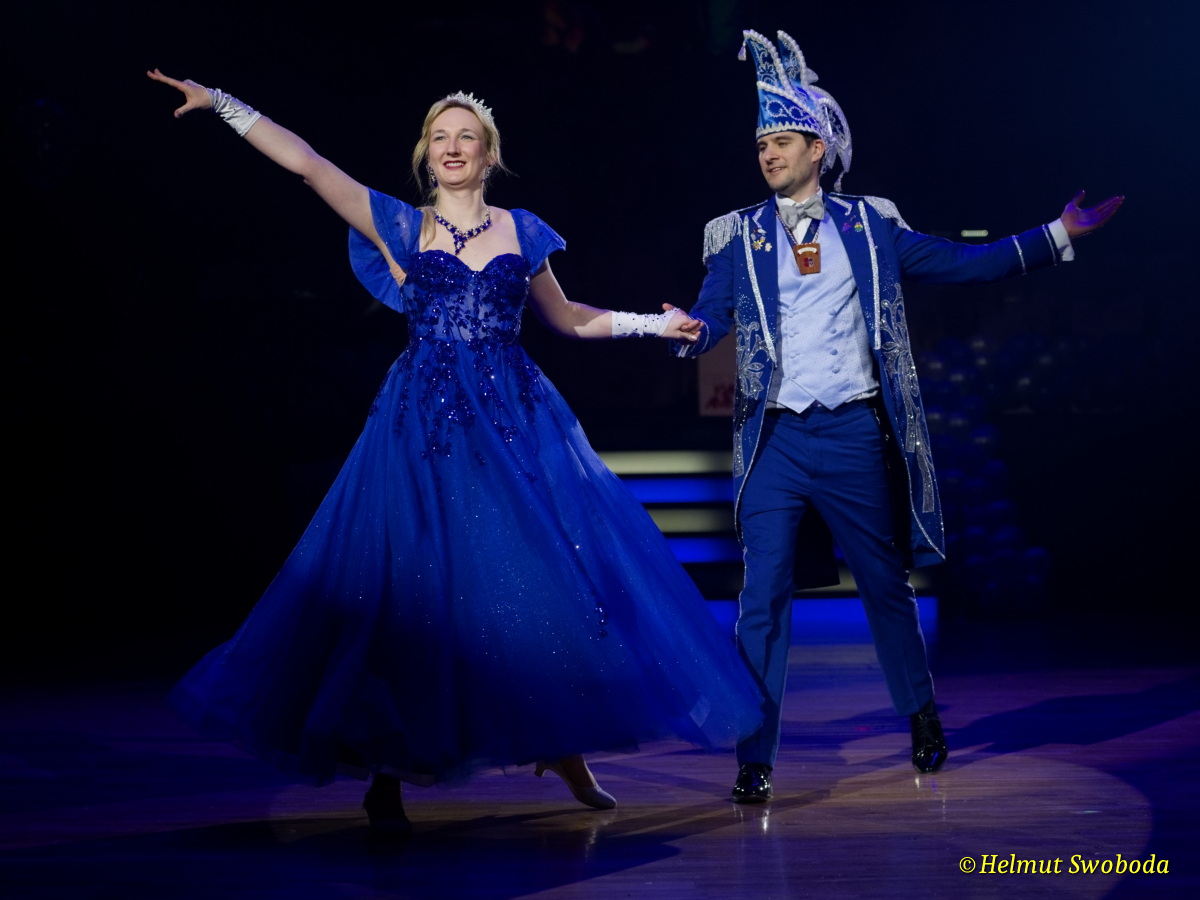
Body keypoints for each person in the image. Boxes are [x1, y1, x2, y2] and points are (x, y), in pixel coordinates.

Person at [147, 69, 764, 832]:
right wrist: (221, 104)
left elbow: (569, 317)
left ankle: (561, 745)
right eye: (439, 136)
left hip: (512, 420)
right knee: (409, 592)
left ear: (488, 153)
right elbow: (307, 164)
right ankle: (388, 770)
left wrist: (653, 324)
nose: (451, 146)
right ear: (424, 152)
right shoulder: (401, 225)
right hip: (422, 425)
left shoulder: (523, 231)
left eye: (465, 136)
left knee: (545, 584)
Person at [669, 31, 1123, 803]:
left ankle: (920, 713)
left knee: (883, 584)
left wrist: (1057, 235)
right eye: (762, 145)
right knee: (762, 597)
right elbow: (712, 316)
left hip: (851, 431)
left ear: (817, 149)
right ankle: (754, 757)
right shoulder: (737, 236)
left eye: (782, 142)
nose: (768, 155)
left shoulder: (870, 225)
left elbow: (959, 263)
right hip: (775, 438)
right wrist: (690, 331)